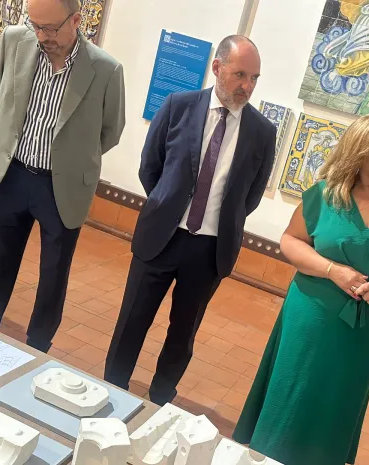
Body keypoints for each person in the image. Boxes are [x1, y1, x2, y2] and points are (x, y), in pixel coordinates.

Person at [233, 115, 369, 465]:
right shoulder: (323, 195)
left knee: (341, 397)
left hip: (367, 324)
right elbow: (291, 241)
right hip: (313, 313)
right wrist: (332, 270)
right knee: (294, 390)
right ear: (360, 152)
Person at [104, 35, 276, 405]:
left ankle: (160, 399)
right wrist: (168, 206)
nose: (247, 86)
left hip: (209, 250)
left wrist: (216, 222)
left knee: (183, 333)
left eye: (254, 78)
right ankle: (112, 389)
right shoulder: (178, 106)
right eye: (240, 75)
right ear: (217, 68)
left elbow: (250, 196)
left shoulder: (263, 132)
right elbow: (150, 167)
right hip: (161, 237)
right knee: (132, 320)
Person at [0, 0, 125, 352]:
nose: (42, 36)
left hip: (61, 186)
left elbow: (110, 131)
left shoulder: (105, 69)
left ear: (76, 20)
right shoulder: (14, 40)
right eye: (36, 25)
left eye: (51, 28)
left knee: (53, 275)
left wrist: (70, 160)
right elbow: (4, 94)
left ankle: (38, 346)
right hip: (10, 175)